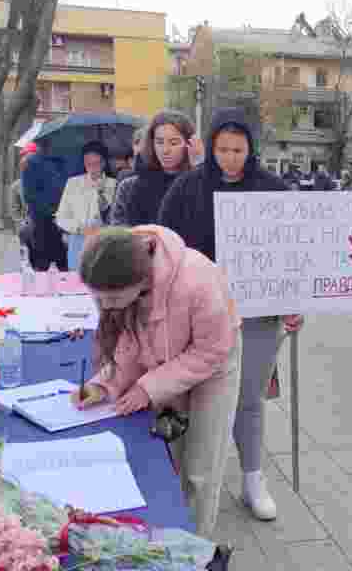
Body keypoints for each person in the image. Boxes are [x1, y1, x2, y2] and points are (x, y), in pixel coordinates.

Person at [158, 107, 304, 522]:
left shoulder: (274, 190)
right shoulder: (186, 189)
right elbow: (166, 249)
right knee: (196, 397)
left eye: (239, 150)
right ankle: (193, 480)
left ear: (252, 149)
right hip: (201, 313)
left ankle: (253, 479)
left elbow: (297, 256)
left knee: (250, 399)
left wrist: (295, 304)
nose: (230, 158)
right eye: (222, 149)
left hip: (259, 314)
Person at [74, 225, 241, 536]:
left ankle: (196, 549)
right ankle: (171, 530)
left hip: (213, 366)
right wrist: (104, 383)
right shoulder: (123, 279)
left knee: (201, 469)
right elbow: (130, 344)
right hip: (166, 362)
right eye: (99, 298)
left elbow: (211, 349)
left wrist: (148, 387)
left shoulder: (197, 280)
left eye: (112, 298)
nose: (106, 306)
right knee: (172, 457)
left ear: (140, 280)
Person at [111, 111, 199, 227]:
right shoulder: (128, 187)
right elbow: (119, 235)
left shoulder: (198, 185)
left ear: (189, 144)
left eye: (174, 143)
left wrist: (198, 167)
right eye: (159, 142)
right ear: (151, 143)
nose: (165, 150)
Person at [55, 141, 118, 268]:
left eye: (97, 163)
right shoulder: (73, 183)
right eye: (88, 163)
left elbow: (115, 217)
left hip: (104, 243)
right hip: (78, 241)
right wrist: (79, 228)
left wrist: (101, 193)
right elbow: (61, 217)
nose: (92, 167)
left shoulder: (114, 184)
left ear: (104, 163)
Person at [23, 141, 68, 271]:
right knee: (43, 264)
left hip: (61, 219)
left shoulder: (61, 160)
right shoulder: (32, 162)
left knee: (62, 264)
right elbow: (29, 195)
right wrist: (53, 210)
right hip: (43, 221)